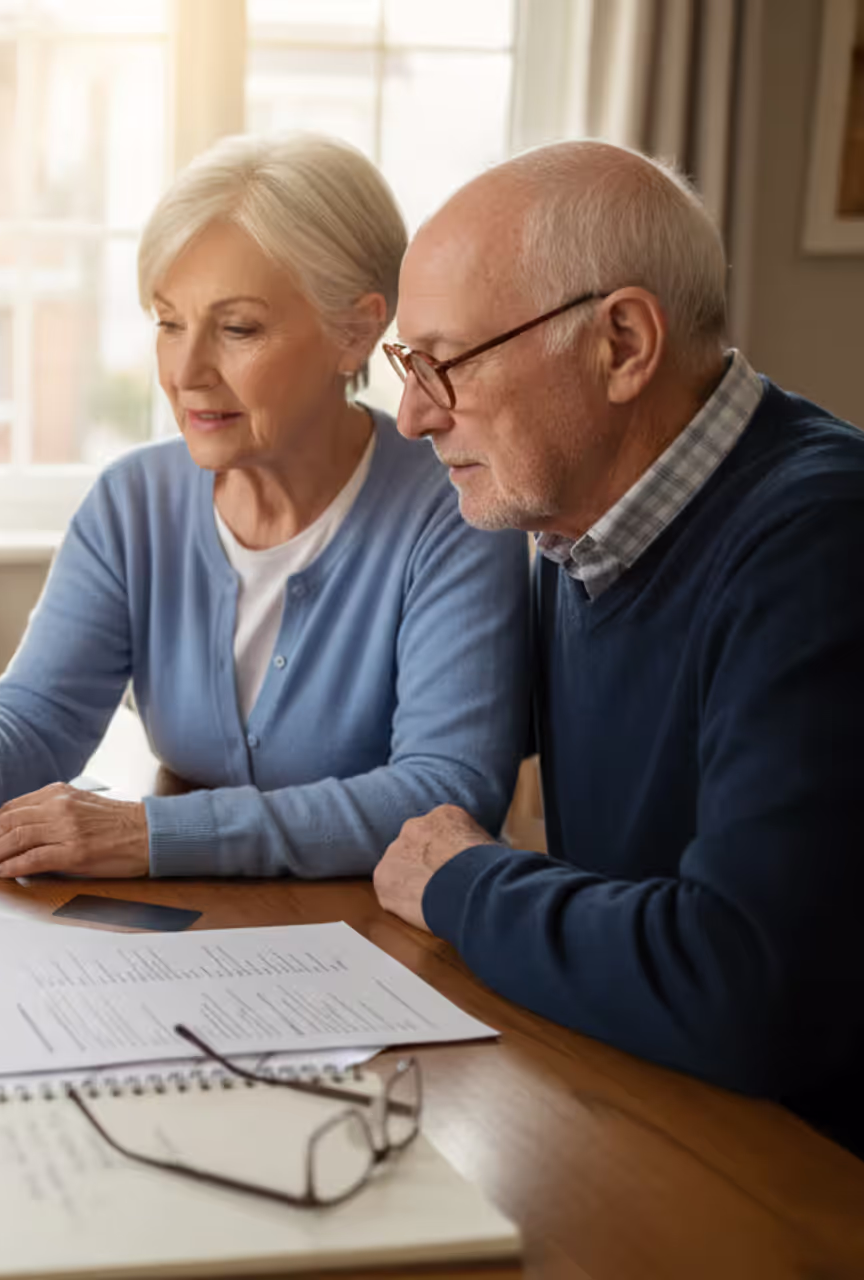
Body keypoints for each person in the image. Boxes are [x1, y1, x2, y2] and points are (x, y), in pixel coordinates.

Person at [0, 132, 530, 880]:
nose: (186, 370)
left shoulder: (454, 506)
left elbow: (448, 794)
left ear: (357, 330)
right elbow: (31, 743)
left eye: (237, 328)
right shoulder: (133, 503)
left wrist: (152, 835)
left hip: (378, 953)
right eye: (169, 322)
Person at [374, 140, 864, 1157]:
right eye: (405, 366)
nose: (415, 414)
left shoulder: (824, 538)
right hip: (662, 1107)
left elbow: (744, 984)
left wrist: (465, 881)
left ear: (624, 343)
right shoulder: (570, 524)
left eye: (444, 362)